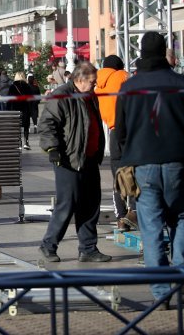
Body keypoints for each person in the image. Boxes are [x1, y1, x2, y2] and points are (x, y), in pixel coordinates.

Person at [116, 32, 184, 308]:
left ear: (141, 53)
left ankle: (160, 291)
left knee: (151, 225)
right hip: (178, 162)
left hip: (142, 164)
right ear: (165, 52)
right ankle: (182, 278)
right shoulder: (181, 83)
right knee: (181, 216)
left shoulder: (129, 87)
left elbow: (119, 132)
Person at [37, 61, 111, 263]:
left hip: (88, 159)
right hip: (68, 159)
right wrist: (52, 149)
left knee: (90, 204)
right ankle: (48, 245)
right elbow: (47, 123)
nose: (95, 85)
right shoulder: (62, 95)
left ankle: (88, 248)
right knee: (67, 203)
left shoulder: (90, 96)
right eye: (92, 82)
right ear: (79, 80)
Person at [95, 55, 135, 231]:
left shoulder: (98, 82)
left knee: (118, 176)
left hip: (113, 132)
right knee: (135, 172)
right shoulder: (123, 76)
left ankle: (120, 217)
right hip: (129, 130)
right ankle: (133, 211)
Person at [9, 72, 37, 150]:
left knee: (17, 126)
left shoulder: (12, 86)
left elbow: (9, 99)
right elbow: (31, 98)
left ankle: (19, 143)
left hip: (15, 109)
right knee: (26, 125)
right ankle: (26, 142)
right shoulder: (27, 86)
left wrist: (9, 109)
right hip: (25, 108)